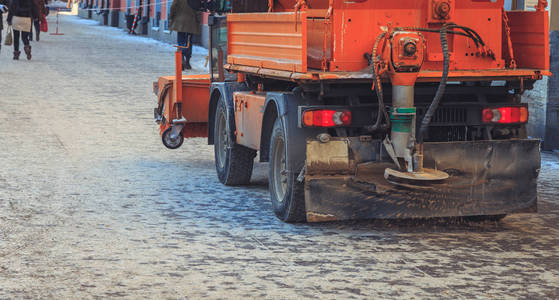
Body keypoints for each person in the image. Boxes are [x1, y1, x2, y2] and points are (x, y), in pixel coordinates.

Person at [169, 0, 200, 70]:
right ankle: (187, 62)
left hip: (180, 22)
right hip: (192, 22)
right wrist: (198, 21)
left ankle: (181, 59)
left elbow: (173, 7)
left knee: (181, 42)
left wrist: (171, 17)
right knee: (189, 42)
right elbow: (198, 9)